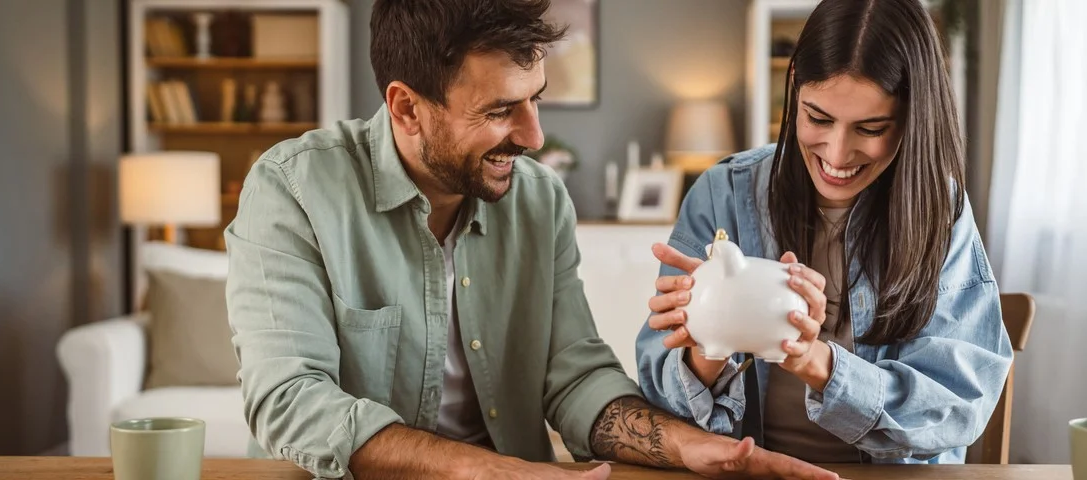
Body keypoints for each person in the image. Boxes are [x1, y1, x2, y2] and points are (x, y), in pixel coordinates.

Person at [226, 1, 840, 479]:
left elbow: (574, 378)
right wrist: (489, 469)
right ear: (407, 108)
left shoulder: (539, 198)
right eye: (499, 111)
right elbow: (289, 399)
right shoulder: (292, 190)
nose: (535, 136)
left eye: (536, 100)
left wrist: (689, 446)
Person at [637, 0, 1014, 465]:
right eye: (818, 118)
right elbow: (659, 398)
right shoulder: (725, 193)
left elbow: (959, 404)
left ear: (913, 119)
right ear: (794, 86)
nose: (837, 153)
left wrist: (817, 361)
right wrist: (705, 348)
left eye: (871, 128)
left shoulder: (941, 211)